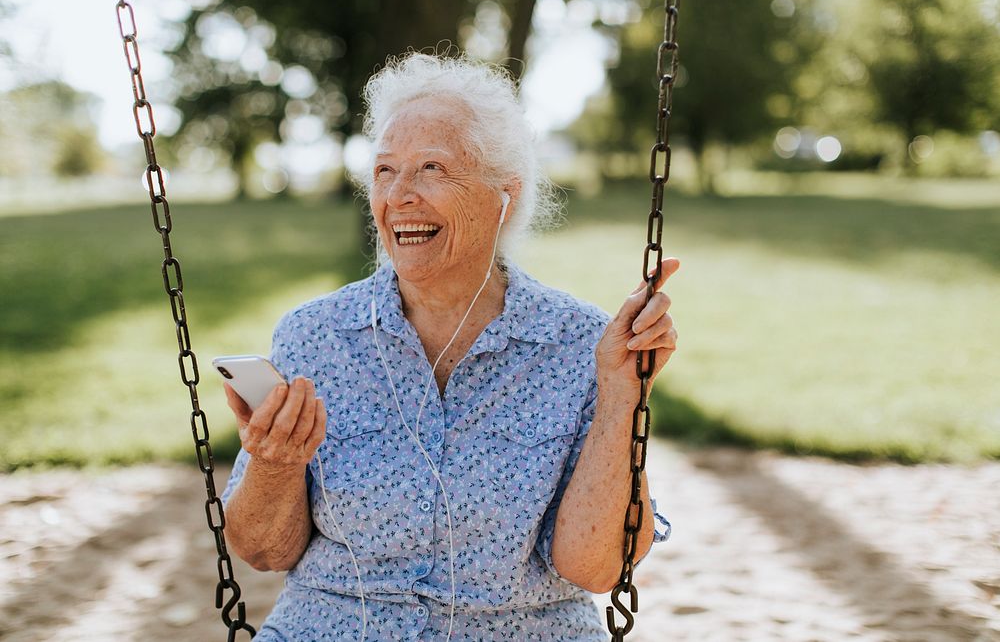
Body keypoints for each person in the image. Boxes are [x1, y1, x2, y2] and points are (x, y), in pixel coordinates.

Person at [220, 52, 679, 641]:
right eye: (384, 171)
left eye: (431, 168)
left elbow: (594, 567)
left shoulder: (578, 345)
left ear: (502, 196)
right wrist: (273, 462)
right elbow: (262, 551)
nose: (400, 195)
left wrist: (622, 397)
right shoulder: (315, 336)